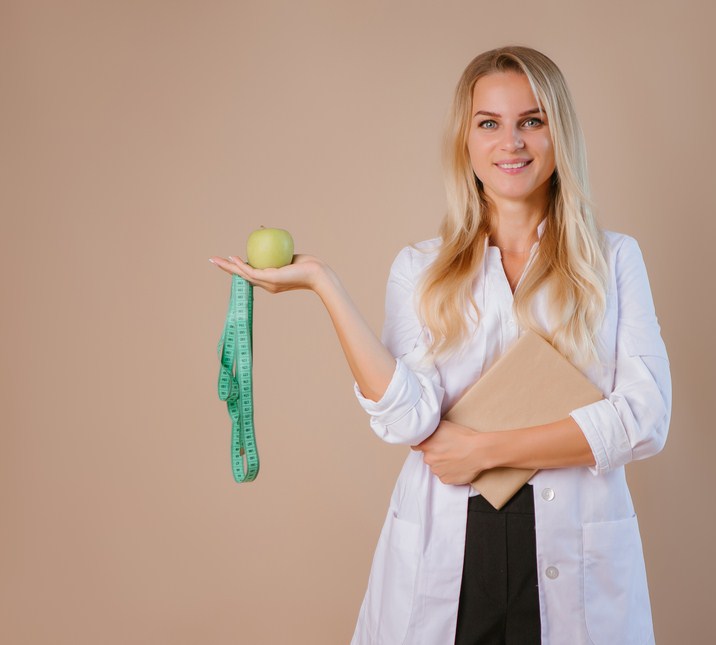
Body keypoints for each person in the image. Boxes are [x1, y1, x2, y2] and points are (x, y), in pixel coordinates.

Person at [210, 45, 671, 645]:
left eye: (532, 121)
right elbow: (407, 416)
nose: (512, 143)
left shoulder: (613, 260)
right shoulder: (419, 269)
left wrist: (483, 450)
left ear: (560, 135)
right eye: (490, 124)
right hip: (451, 542)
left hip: (571, 542)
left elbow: (644, 417)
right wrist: (324, 285)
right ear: (466, 140)